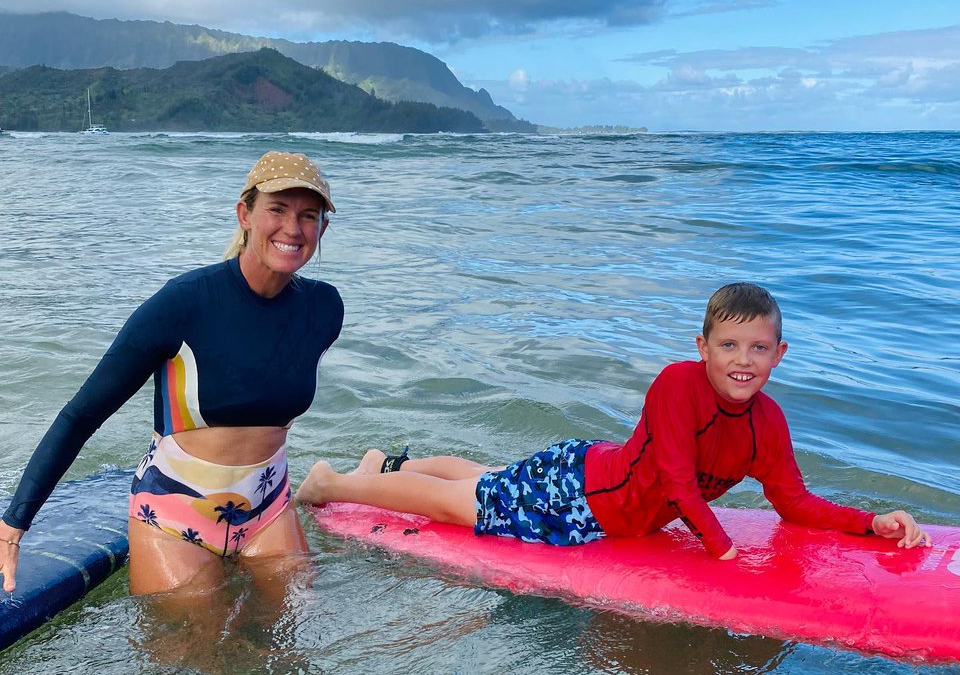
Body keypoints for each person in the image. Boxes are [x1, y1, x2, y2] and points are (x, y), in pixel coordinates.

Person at [296, 282, 929, 558]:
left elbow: (793, 502)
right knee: (461, 505)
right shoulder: (678, 384)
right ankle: (334, 483)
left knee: (487, 479)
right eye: (729, 346)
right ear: (703, 346)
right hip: (583, 498)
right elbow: (681, 484)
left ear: (778, 355)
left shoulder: (768, 424)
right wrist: (724, 551)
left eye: (759, 348)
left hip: (596, 477)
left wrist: (870, 523)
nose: (744, 361)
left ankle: (390, 465)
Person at [0, 151, 344, 595]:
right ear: (245, 214)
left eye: (308, 216)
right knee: (184, 659)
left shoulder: (323, 310)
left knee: (289, 651)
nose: (292, 229)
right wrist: (13, 524)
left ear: (323, 228)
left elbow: (268, 386)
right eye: (277, 209)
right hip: (174, 513)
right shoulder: (182, 304)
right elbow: (81, 415)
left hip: (270, 507)